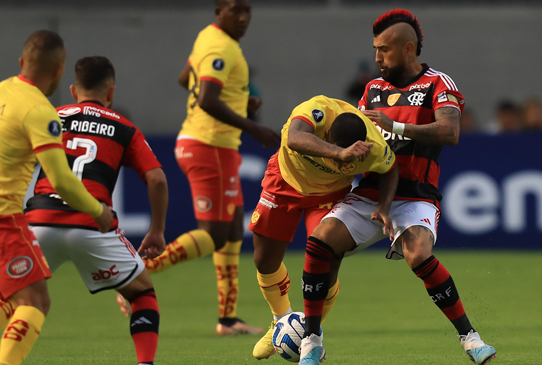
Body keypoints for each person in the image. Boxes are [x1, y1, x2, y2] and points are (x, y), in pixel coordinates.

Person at [298, 9, 497, 365]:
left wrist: (398, 127)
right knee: (320, 242)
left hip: (416, 195)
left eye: (384, 50)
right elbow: (362, 137)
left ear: (408, 49)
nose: (377, 58)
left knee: (418, 255)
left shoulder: (438, 84)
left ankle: (470, 338)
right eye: (375, 49)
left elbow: (450, 132)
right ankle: (311, 339)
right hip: (371, 192)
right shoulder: (373, 89)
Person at [0, 31, 114, 365]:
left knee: (14, 294)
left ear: (22, 62)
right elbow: (62, 179)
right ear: (59, 70)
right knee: (35, 301)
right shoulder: (39, 109)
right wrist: (98, 210)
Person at [123, 0, 280, 336]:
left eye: (247, 10)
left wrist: (239, 100)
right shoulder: (221, 45)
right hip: (209, 145)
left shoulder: (207, 38)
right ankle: (134, 273)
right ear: (218, 11)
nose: (243, 17)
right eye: (235, 10)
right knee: (215, 234)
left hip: (215, 146)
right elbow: (207, 98)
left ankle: (228, 319)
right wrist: (253, 127)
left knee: (234, 232)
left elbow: (186, 79)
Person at [23, 56, 167, 365]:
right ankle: (145, 363)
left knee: (3, 292)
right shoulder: (123, 127)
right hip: (93, 224)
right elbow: (157, 179)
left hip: (40, 221)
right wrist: (156, 230)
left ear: (73, 91)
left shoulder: (51, 117)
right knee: (142, 294)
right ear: (111, 93)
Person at [249, 95, 398, 360]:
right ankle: (280, 320)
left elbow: (390, 169)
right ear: (327, 133)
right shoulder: (316, 110)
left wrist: (384, 207)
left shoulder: (373, 146)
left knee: (324, 260)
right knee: (263, 259)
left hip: (329, 195)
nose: (340, 164)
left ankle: (310, 333)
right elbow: (294, 138)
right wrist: (338, 154)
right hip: (284, 178)